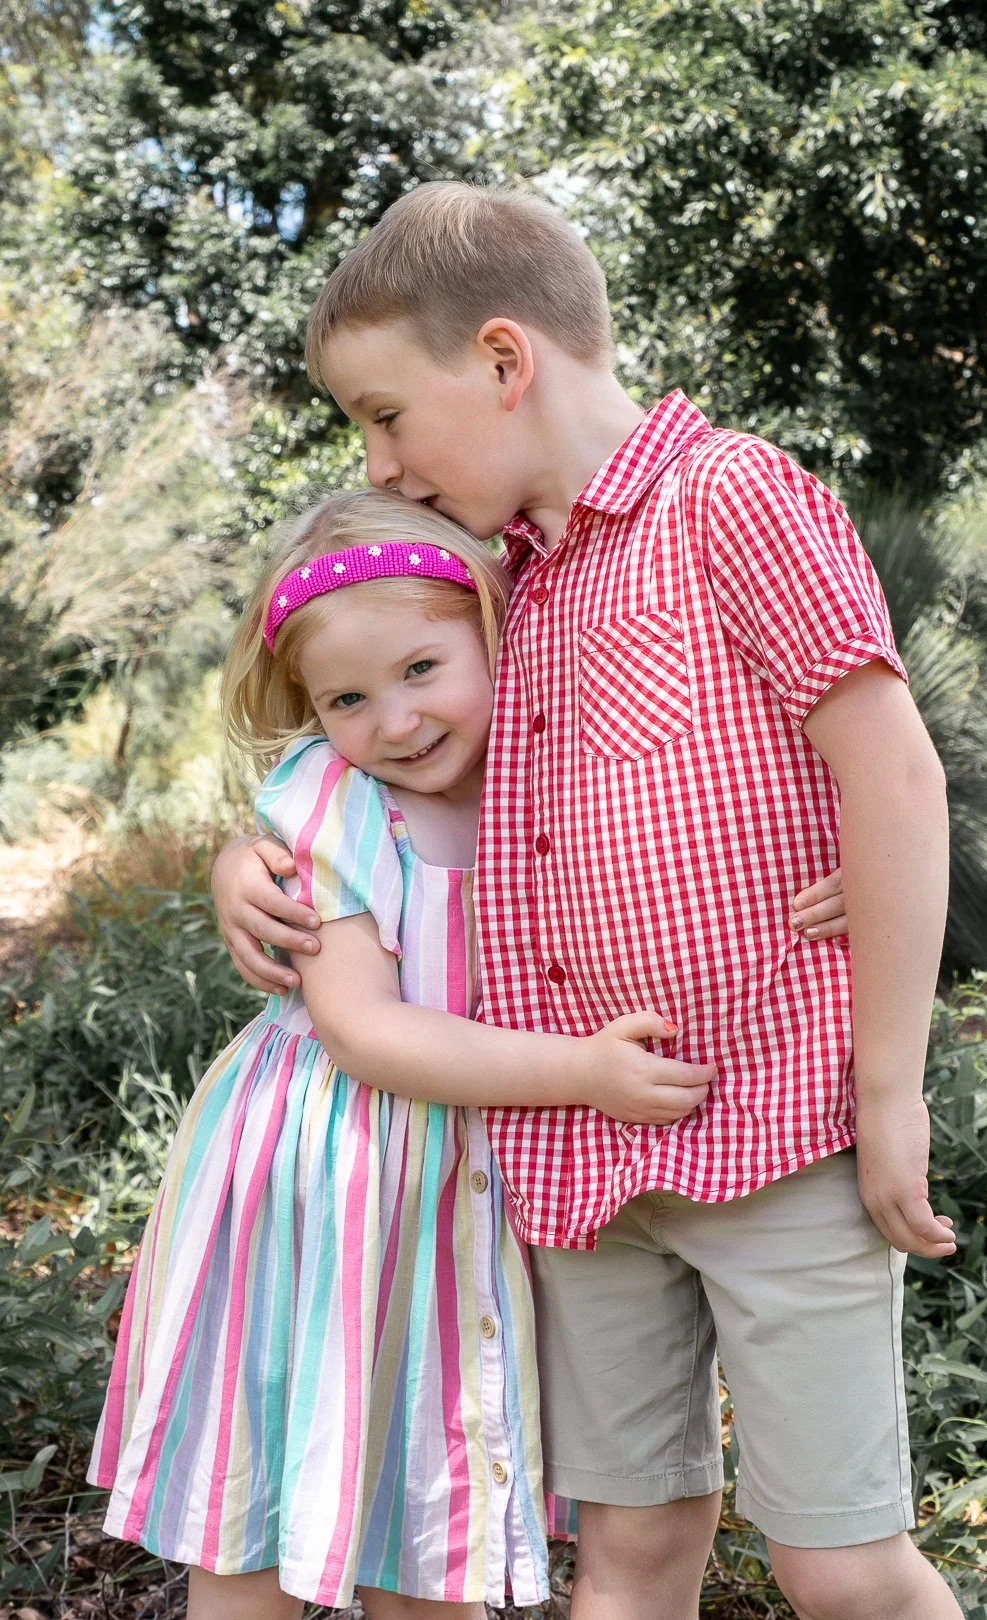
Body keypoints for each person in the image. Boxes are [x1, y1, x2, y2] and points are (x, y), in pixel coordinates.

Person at [212, 183, 961, 1620]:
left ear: (504, 362)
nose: (379, 460)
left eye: (383, 416)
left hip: (781, 1120)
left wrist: (891, 1092)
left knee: (841, 1560)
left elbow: (895, 776)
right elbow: (366, 755)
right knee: (629, 1549)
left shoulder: (730, 498)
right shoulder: (506, 584)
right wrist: (238, 859)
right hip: (577, 1165)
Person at [88, 487, 721, 1620]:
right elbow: (366, 1032)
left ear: (493, 628)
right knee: (254, 1509)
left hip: (458, 1192)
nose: (394, 722)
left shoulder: (555, 771)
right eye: (347, 697)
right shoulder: (339, 805)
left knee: (430, 1517)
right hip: (323, 1178)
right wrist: (582, 1072)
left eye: (423, 670)